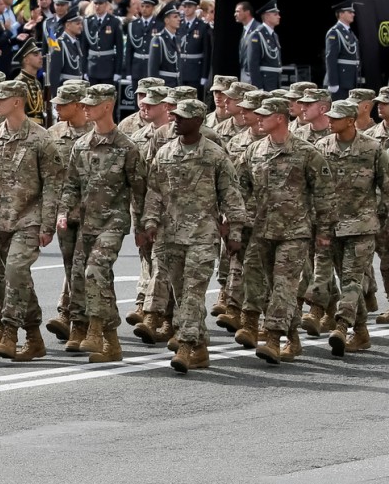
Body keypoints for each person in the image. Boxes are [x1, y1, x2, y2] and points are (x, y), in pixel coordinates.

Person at [140, 99, 245, 373]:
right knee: (179, 293)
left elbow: (231, 197)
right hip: (169, 237)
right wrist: (149, 223)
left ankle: (186, 346)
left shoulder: (214, 155)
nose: (176, 121)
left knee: (193, 294)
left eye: (182, 118)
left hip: (202, 236)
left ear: (198, 121)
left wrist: (234, 233)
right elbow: (154, 193)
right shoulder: (164, 154)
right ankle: (199, 347)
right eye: (174, 117)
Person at [235, 97, 334, 365]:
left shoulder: (306, 152)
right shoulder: (254, 151)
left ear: (280, 118)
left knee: (283, 285)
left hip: (295, 232)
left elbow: (324, 194)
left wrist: (324, 231)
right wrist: (234, 221)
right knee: (275, 286)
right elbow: (238, 188)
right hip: (262, 231)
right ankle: (293, 336)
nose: (259, 119)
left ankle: (272, 338)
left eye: (264, 115)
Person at [0, 78, 62, 361]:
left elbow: (52, 184)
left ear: (17, 102)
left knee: (15, 270)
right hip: (0, 222)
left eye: (2, 97)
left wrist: (47, 225)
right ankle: (34, 337)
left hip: (29, 219)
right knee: (18, 276)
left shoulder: (40, 138)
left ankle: (9, 332)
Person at [57, 84, 146, 362]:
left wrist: (144, 227)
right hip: (86, 223)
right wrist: (63, 211)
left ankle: (94, 329)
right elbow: (71, 185)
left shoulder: (126, 147)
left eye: (91, 104)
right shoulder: (81, 146)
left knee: (95, 271)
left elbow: (140, 190)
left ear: (107, 106)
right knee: (91, 279)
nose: (85, 108)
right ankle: (112, 342)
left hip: (113, 222)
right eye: (84, 104)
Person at [311, 99, 387, 356]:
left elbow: (387, 187)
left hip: (362, 226)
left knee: (353, 279)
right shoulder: (322, 147)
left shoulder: (373, 148)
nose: (330, 121)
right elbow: (315, 188)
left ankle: (342, 326)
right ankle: (362, 332)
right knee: (346, 281)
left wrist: (381, 216)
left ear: (351, 121)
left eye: (336, 118)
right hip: (332, 227)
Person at [43, 81, 92, 345]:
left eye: (63, 103)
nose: (57, 107)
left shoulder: (97, 132)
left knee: (81, 269)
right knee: (70, 265)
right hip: (63, 212)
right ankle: (74, 315)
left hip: (90, 213)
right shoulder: (52, 134)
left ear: (78, 105)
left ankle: (80, 322)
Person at [325, 0, 359, 101]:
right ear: (341, 14)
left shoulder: (350, 33)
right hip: (340, 81)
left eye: (353, 12)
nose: (353, 14)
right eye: (349, 12)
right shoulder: (335, 32)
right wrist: (333, 83)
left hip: (349, 80)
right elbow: (331, 58)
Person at [244, 0, 282, 92]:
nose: (279, 17)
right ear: (267, 16)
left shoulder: (274, 35)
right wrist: (258, 87)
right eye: (275, 14)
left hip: (274, 82)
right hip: (264, 82)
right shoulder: (257, 35)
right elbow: (253, 64)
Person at [47, 12, 86, 92]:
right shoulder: (60, 43)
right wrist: (55, 95)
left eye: (81, 24)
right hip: (65, 89)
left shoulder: (76, 42)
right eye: (77, 24)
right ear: (68, 25)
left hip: (77, 89)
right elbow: (54, 73)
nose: (81, 27)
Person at [11, 39, 45, 126]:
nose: (41, 57)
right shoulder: (19, 83)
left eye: (40, 54)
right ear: (26, 60)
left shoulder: (37, 83)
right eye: (36, 55)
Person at [148, 4, 181, 88]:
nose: (179, 19)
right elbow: (153, 68)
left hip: (176, 84)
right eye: (175, 17)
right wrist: (155, 88)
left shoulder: (176, 38)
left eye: (178, 16)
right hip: (163, 85)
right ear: (166, 20)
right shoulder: (158, 40)